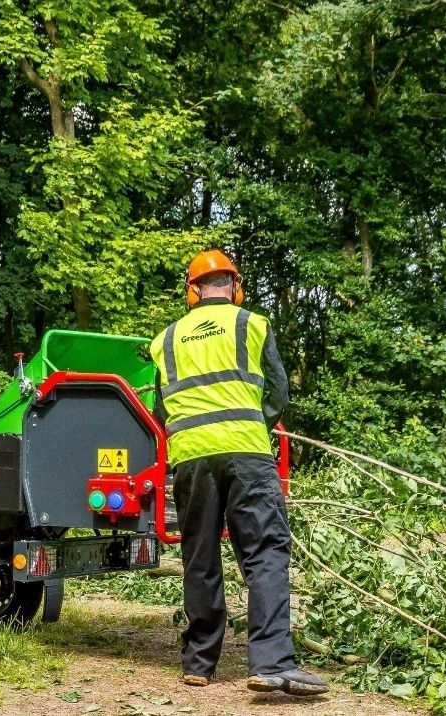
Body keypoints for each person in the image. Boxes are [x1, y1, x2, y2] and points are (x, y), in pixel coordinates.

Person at [148, 249, 328, 696]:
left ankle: (199, 663)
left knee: (200, 555)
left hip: (190, 457)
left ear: (192, 291)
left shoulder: (166, 340)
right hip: (246, 454)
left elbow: (160, 408)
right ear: (235, 286)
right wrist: (252, 427)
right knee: (265, 552)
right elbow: (278, 394)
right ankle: (270, 662)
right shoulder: (251, 324)